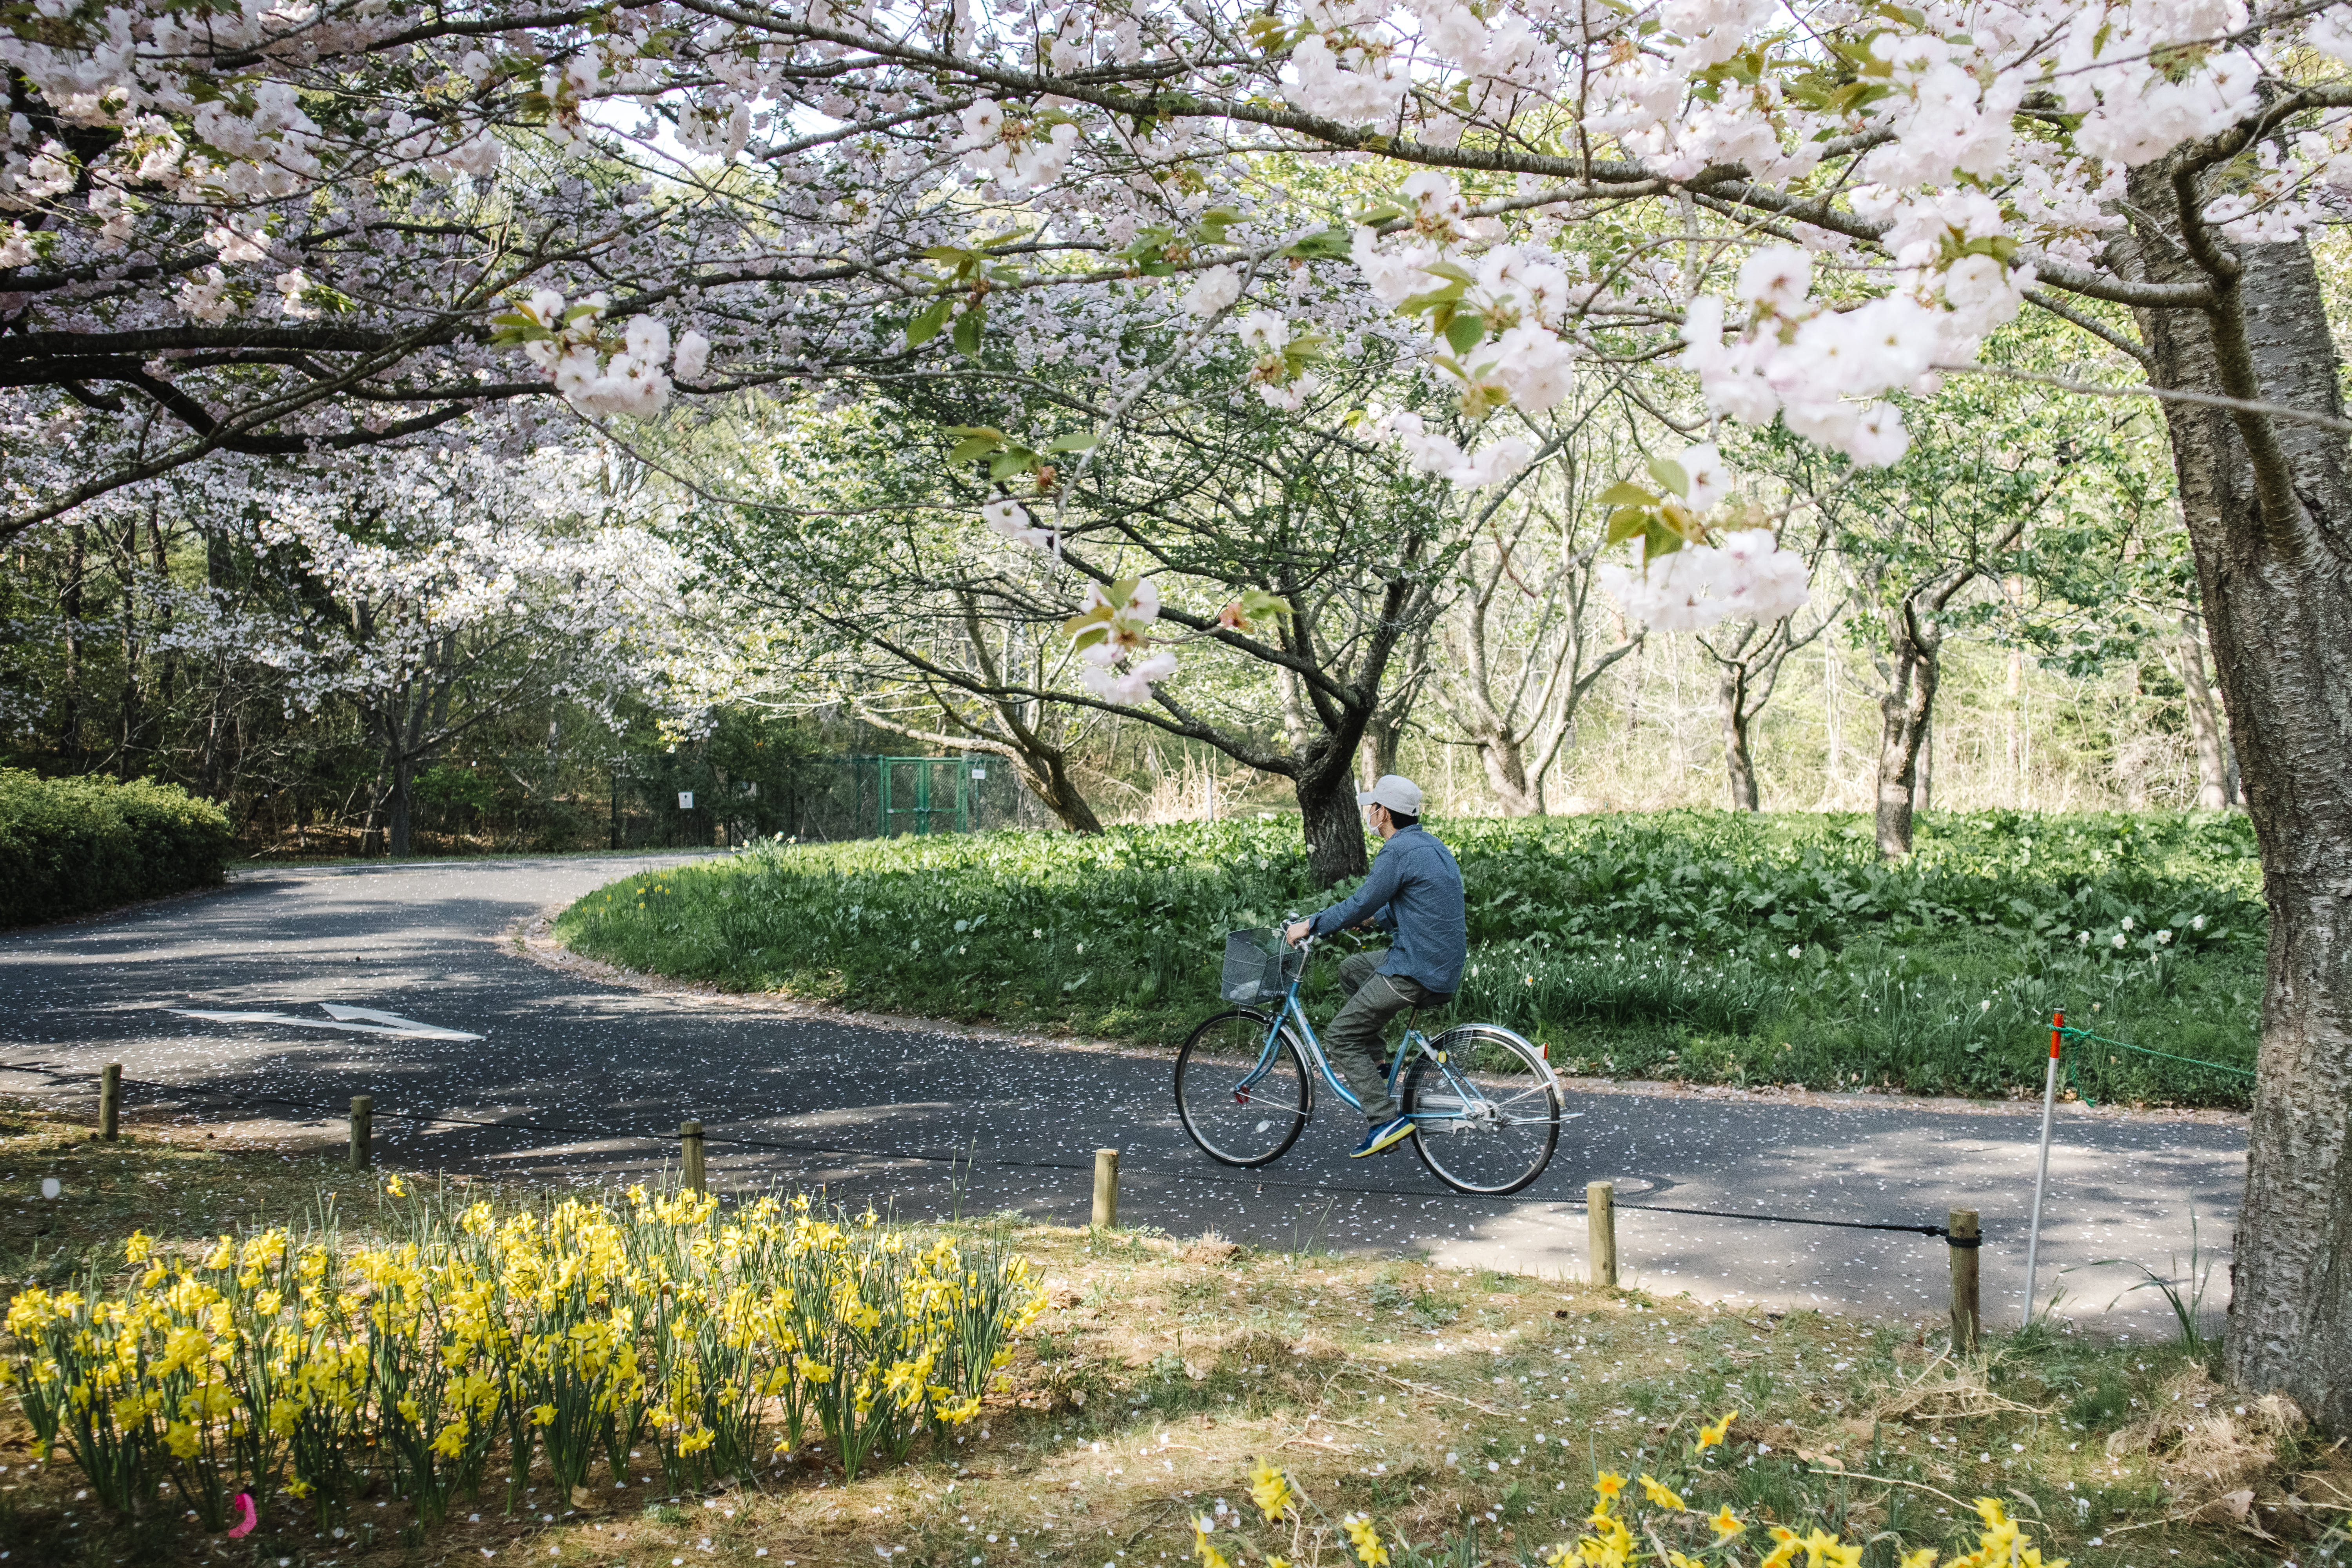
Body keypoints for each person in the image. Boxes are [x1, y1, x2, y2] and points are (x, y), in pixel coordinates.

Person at [1283, 774, 1466, 1158]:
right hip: (1436, 960)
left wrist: (1311, 924)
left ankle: (1384, 1120)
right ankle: (1379, 1065)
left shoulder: (1396, 851)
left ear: (1383, 813)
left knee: (1340, 1036)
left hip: (1415, 968)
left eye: (1372, 806)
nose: (1369, 812)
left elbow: (1361, 901)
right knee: (1352, 968)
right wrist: (1371, 919)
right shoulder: (1430, 845)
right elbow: (1410, 902)